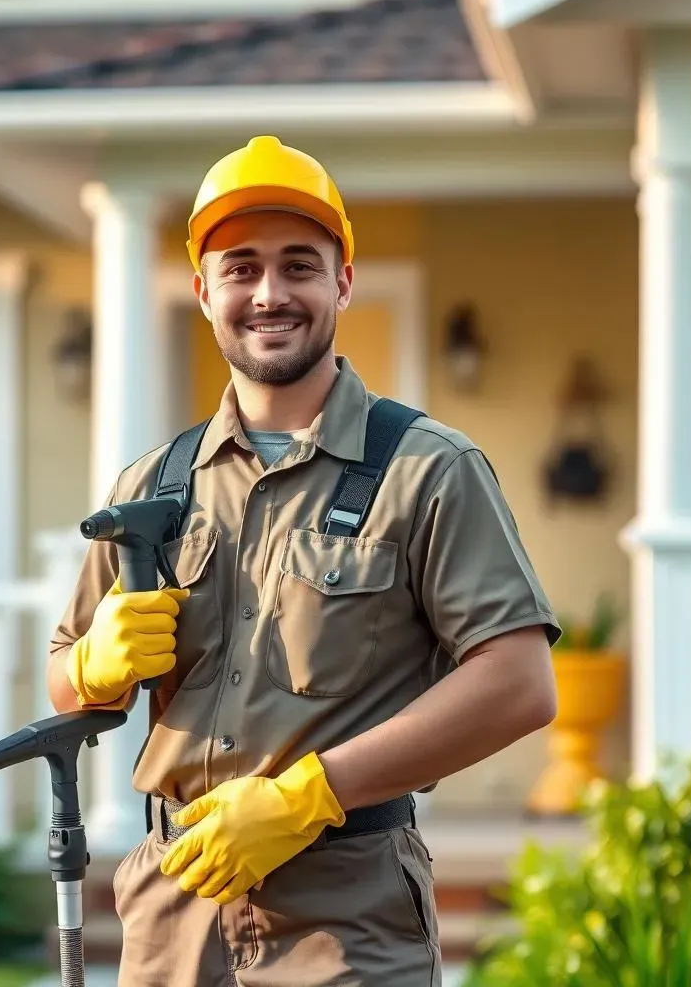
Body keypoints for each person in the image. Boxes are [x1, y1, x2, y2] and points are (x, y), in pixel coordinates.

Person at [46, 134, 561, 987]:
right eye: (240, 267)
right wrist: (95, 665)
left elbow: (518, 682)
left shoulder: (427, 469)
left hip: (347, 919)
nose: (270, 293)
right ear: (205, 290)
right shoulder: (152, 485)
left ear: (343, 283)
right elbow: (66, 678)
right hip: (172, 910)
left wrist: (306, 796)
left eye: (300, 265)